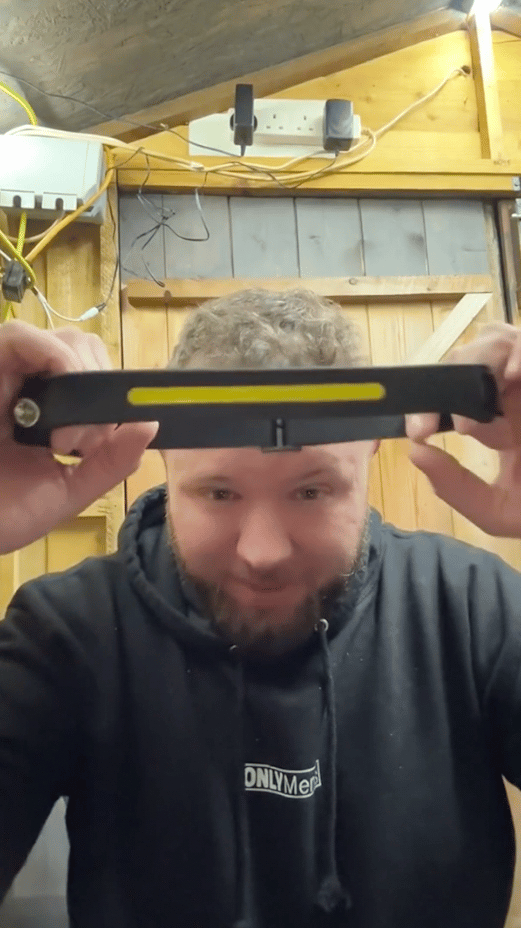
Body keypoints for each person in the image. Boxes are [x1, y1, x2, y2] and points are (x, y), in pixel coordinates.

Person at [0, 288, 521, 928]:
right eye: (219, 493)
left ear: (371, 450)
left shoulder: (472, 609)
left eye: (311, 491)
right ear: (164, 457)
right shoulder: (66, 632)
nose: (263, 553)